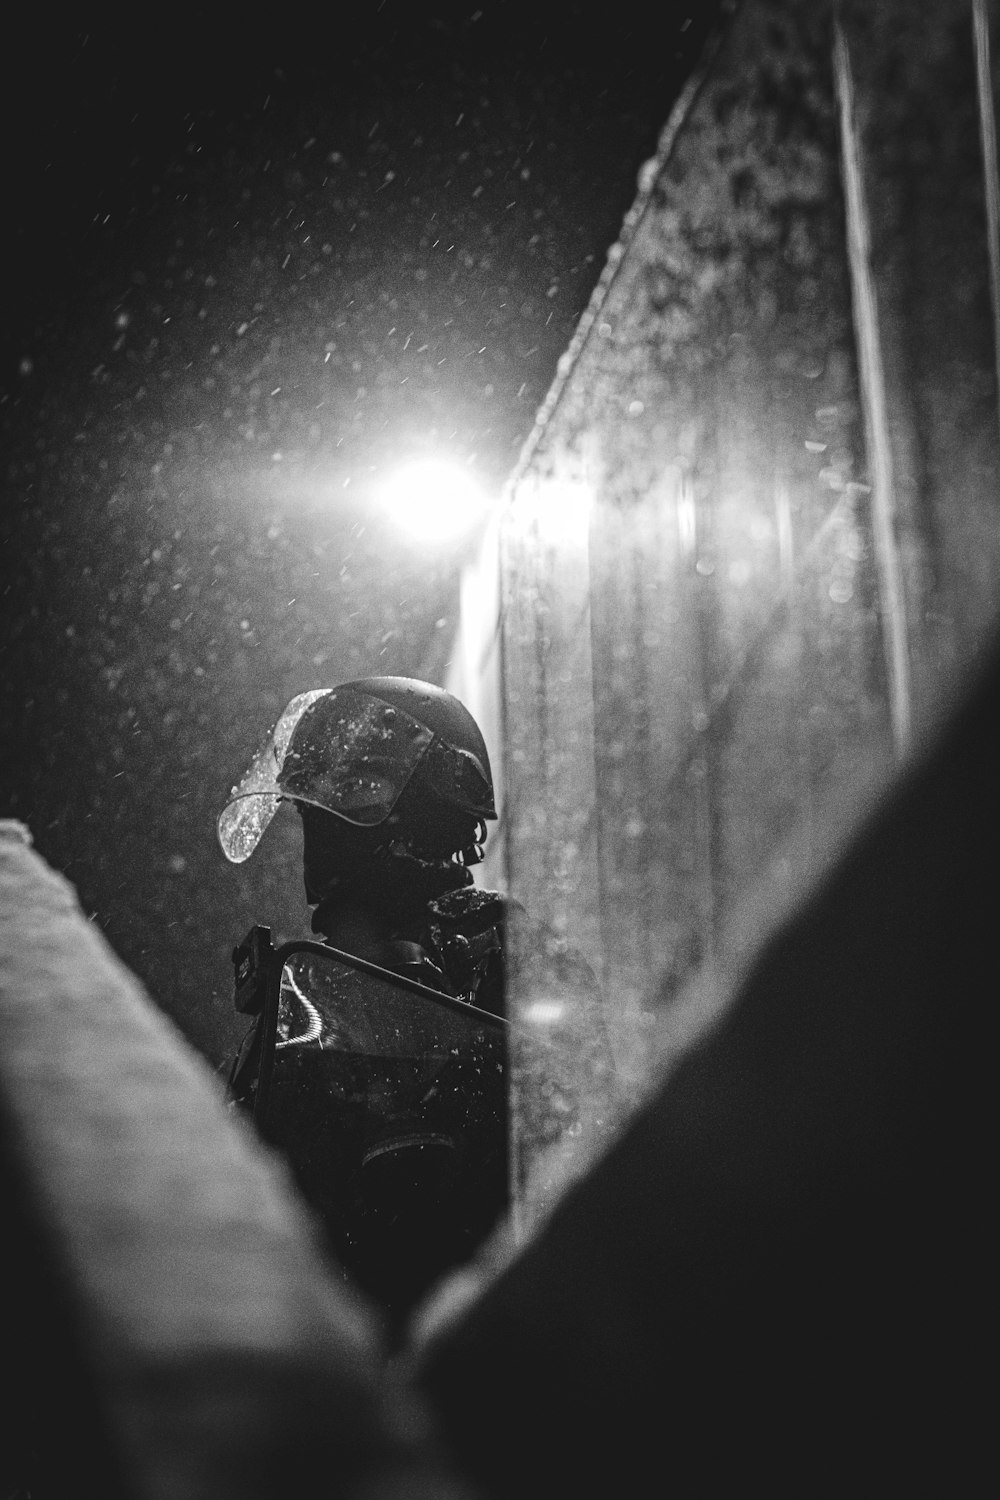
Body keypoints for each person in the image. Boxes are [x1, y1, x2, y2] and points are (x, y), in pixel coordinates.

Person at [216, 676, 612, 1329]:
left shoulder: (506, 950)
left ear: (433, 803)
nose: (324, 838)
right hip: (327, 1322)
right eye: (314, 816)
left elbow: (578, 1140)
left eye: (349, 803)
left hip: (490, 1322)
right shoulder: (310, 989)